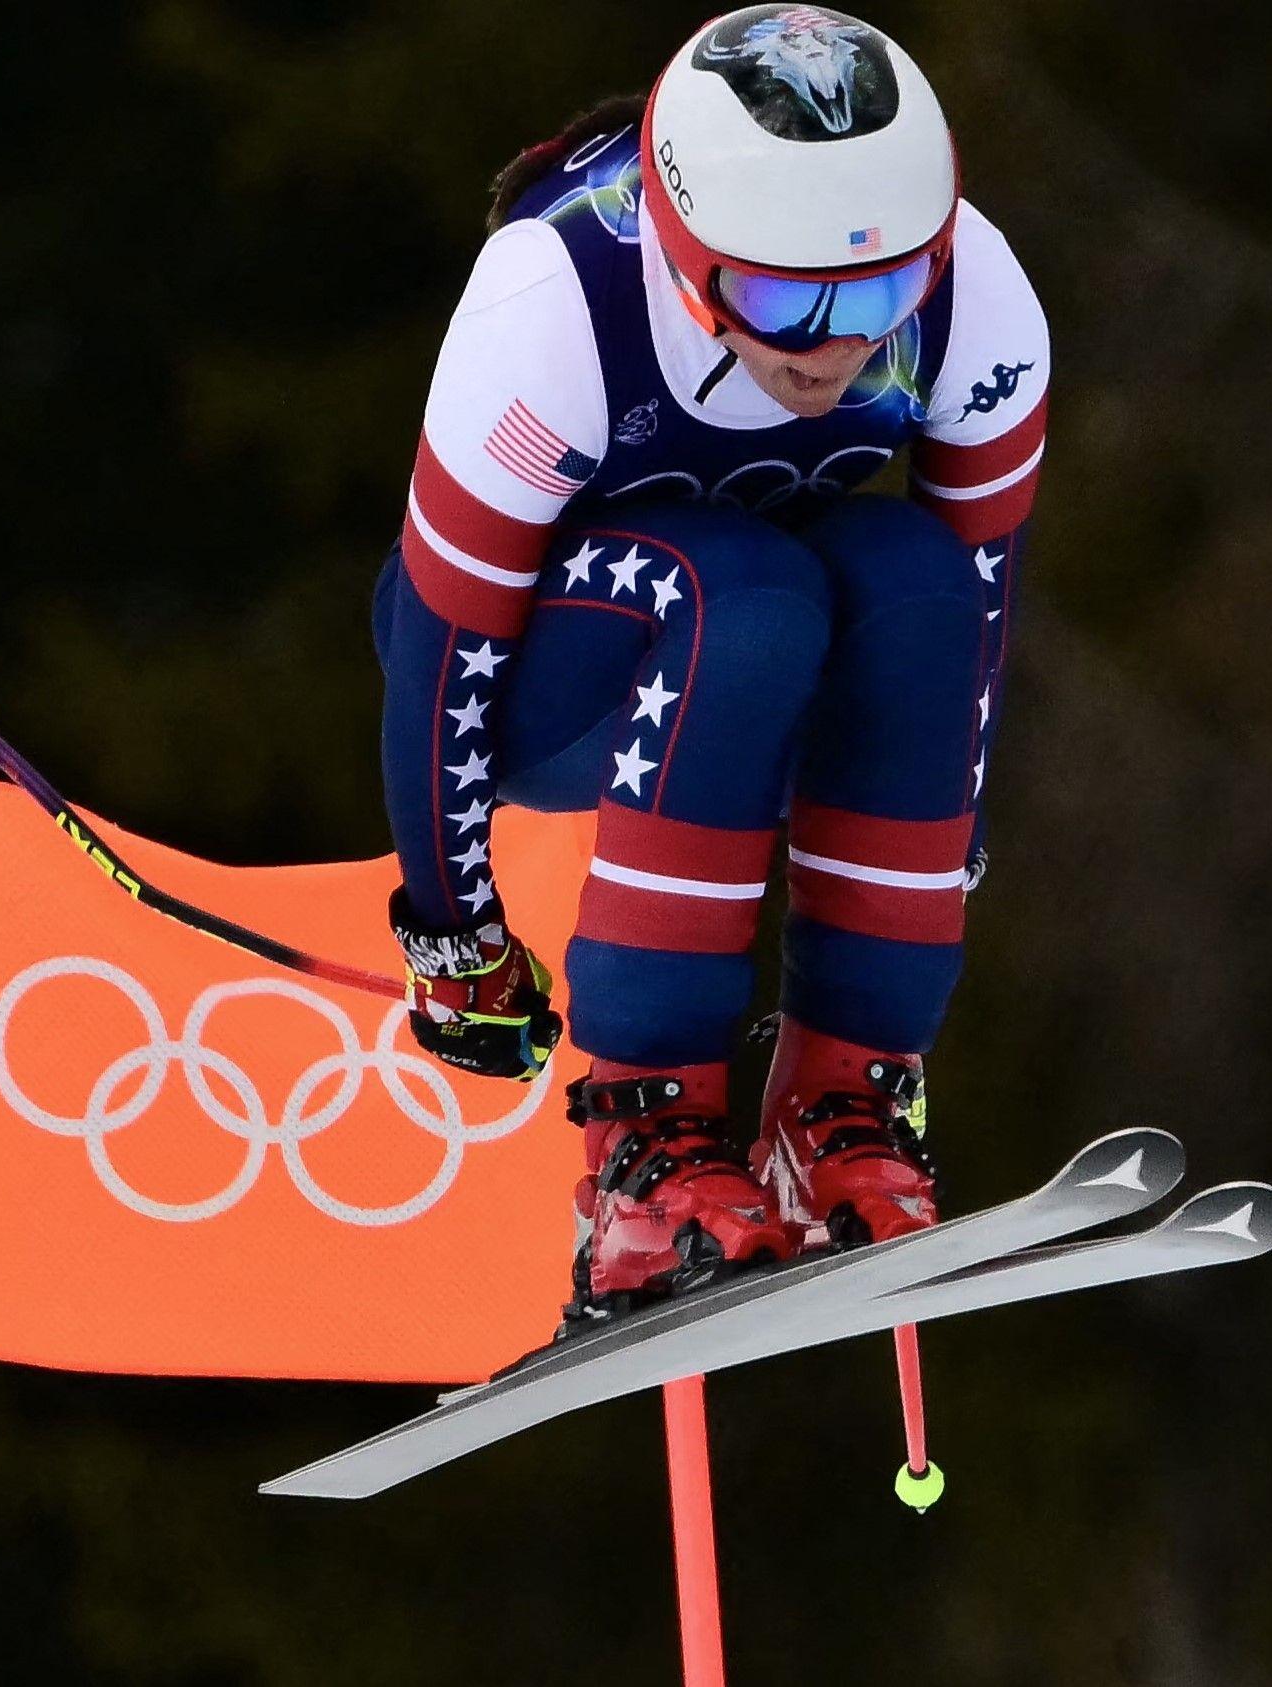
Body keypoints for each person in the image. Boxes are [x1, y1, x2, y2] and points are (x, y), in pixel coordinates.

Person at [374, 5, 1051, 1329]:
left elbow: (978, 598)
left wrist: (925, 873)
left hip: (764, 669)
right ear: (689, 256)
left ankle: (839, 1111)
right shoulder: (553, 299)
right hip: (557, 680)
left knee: (906, 578)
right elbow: (443, 643)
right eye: (788, 298)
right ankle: (643, 1157)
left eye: (878, 293)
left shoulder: (975, 294)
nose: (837, 345)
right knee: (745, 590)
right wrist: (454, 931)